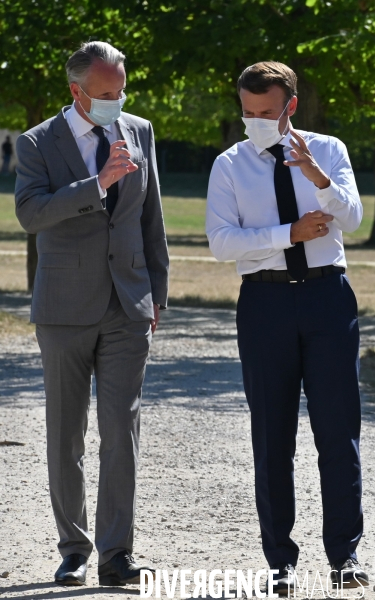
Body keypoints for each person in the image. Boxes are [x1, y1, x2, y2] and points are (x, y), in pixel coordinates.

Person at [206, 61, 368, 595]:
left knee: (338, 431)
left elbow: (352, 219)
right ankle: (281, 562)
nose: (255, 121)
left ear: (290, 107)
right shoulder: (228, 165)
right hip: (265, 305)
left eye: (267, 113)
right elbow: (222, 242)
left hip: (328, 299)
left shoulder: (329, 149)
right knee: (272, 438)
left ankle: (344, 557)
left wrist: (319, 180)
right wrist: (288, 234)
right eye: (248, 112)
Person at [15, 41, 169, 587]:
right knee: (66, 434)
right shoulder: (37, 142)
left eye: (122, 89)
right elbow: (31, 213)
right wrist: (96, 184)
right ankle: (74, 548)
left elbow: (152, 218)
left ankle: (116, 555)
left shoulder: (140, 131)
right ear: (76, 91)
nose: (117, 101)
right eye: (107, 93)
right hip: (63, 309)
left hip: (128, 305)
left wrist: (157, 294)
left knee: (120, 430)